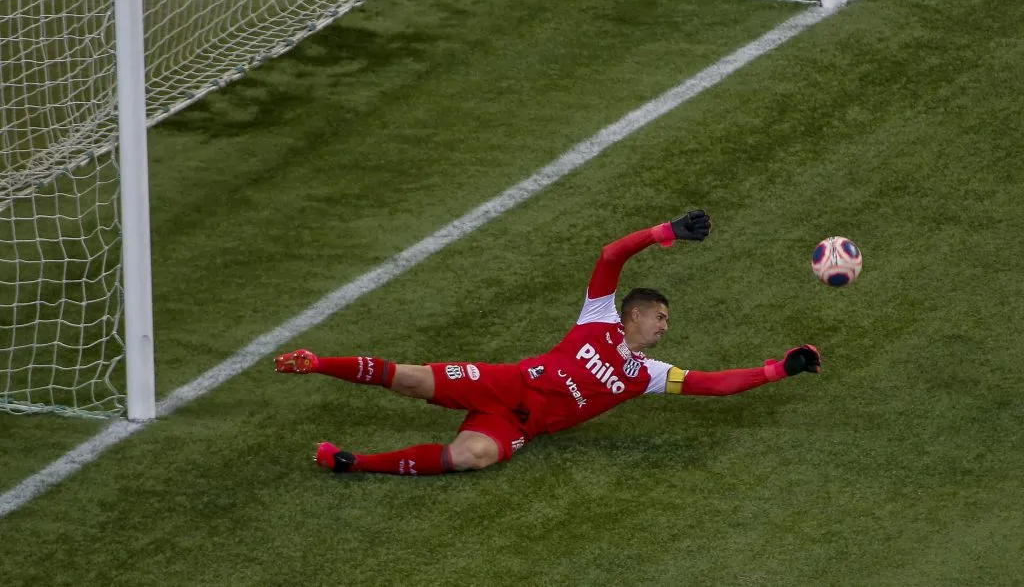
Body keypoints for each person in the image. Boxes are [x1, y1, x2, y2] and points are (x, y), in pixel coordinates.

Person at [274, 210, 822, 476]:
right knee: (413, 378)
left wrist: (778, 369)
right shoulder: (600, 315)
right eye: (660, 316)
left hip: (519, 426)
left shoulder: (648, 374)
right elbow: (611, 256)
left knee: (472, 457)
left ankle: (354, 462)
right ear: (635, 312)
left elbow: (713, 385)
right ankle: (318, 362)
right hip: (504, 381)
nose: (664, 327)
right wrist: (663, 233)